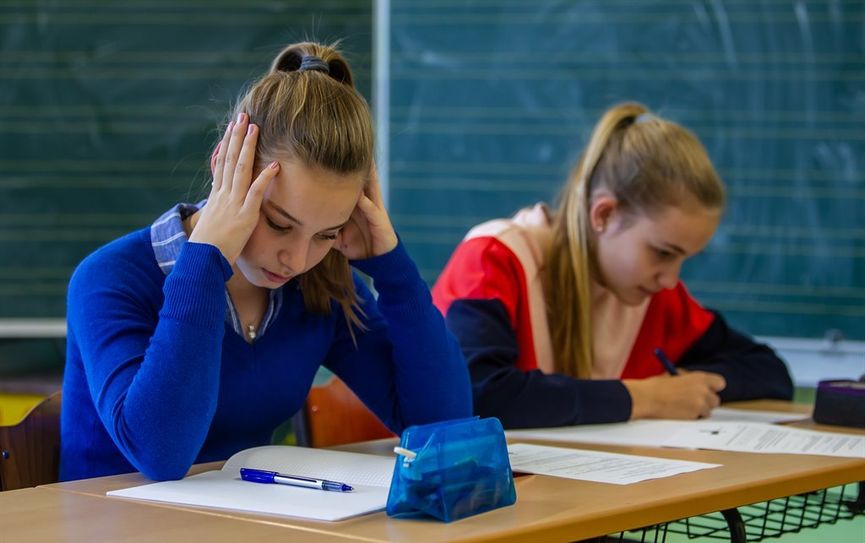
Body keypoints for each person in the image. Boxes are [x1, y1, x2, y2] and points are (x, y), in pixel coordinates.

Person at [60, 41, 472, 481]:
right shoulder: (109, 279)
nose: (296, 259)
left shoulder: (321, 286)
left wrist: (394, 270)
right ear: (227, 169)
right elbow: (160, 454)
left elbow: (441, 426)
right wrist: (205, 260)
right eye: (279, 224)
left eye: (326, 234)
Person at [432, 102, 793, 429]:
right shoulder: (493, 258)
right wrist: (646, 397)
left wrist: (685, 385)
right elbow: (478, 394)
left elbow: (770, 372)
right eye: (663, 253)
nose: (670, 280)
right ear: (604, 213)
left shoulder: (651, 296)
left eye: (684, 258)